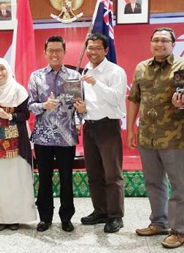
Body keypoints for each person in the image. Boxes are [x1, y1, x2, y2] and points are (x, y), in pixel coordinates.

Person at [126, 27, 184, 248]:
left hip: (174, 137)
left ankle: (179, 230)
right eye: (156, 40)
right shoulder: (141, 68)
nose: (160, 44)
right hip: (147, 136)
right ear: (151, 43)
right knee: (153, 183)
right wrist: (130, 130)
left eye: (165, 40)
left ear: (173, 44)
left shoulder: (183, 66)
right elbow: (134, 99)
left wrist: (183, 102)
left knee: (179, 185)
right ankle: (158, 223)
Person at [28, 35, 81, 233]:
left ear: (64, 52)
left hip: (67, 137)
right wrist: (44, 105)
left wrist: (79, 118)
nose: (54, 54)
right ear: (45, 52)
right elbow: (30, 106)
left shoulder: (74, 76)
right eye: (51, 50)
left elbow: (78, 107)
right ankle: (45, 218)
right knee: (45, 178)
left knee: (66, 178)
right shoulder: (36, 77)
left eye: (58, 50)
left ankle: (66, 218)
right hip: (42, 137)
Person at [76, 33, 126, 233]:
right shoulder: (86, 69)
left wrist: (96, 83)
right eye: (90, 47)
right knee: (94, 173)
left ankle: (115, 215)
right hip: (90, 125)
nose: (93, 51)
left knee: (112, 174)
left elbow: (115, 99)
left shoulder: (115, 71)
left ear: (106, 50)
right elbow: (90, 102)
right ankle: (100, 211)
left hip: (108, 126)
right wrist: (82, 110)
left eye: (97, 48)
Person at [0, 58, 37, 231]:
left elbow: (25, 115)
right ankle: (1, 218)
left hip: (17, 146)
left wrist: (10, 116)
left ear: (8, 69)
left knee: (16, 180)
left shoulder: (18, 90)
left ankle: (16, 217)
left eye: (2, 69)